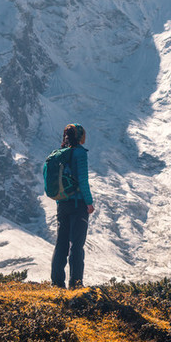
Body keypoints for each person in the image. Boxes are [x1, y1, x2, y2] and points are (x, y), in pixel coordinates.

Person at [50, 123, 94, 288]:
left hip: (62, 204)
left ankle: (56, 282)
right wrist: (89, 203)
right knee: (76, 245)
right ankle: (76, 283)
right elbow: (83, 180)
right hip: (78, 205)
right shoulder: (79, 154)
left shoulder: (60, 154)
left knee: (61, 243)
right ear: (80, 136)